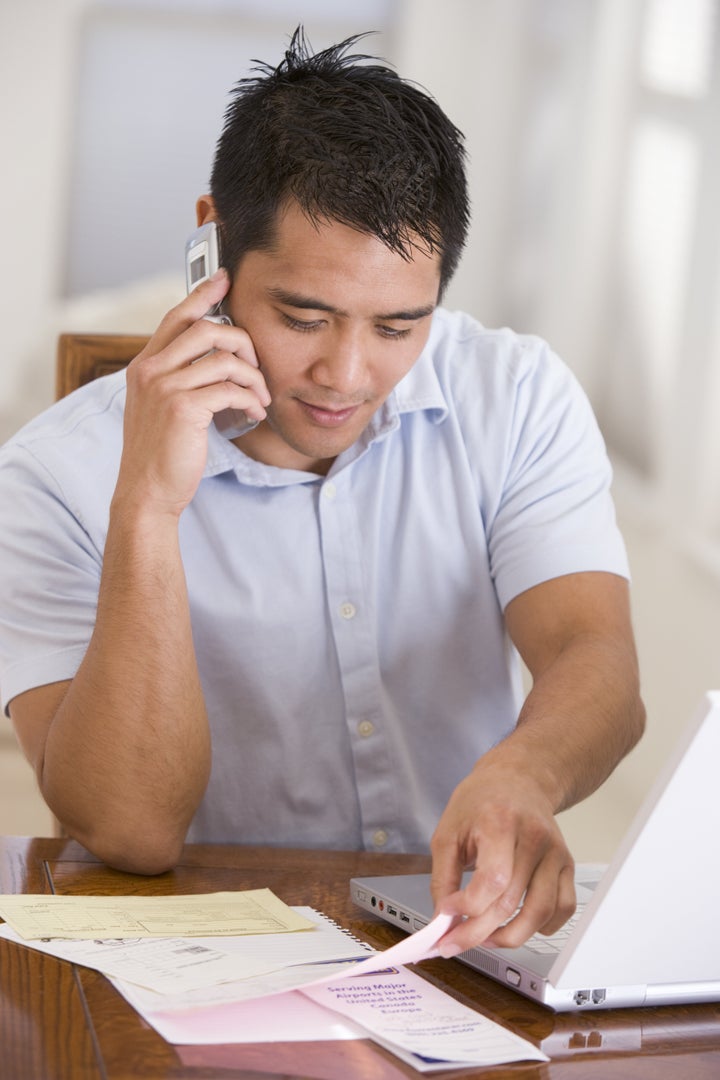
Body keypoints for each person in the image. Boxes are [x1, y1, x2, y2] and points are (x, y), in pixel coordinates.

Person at [0, 28, 644, 957]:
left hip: (458, 944)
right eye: (304, 316)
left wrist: (524, 774)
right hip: (204, 951)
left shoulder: (516, 395)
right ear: (210, 240)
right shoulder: (54, 472)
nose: (346, 373)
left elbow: (600, 662)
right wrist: (147, 507)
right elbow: (131, 833)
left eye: (397, 325)